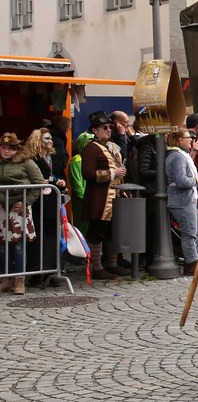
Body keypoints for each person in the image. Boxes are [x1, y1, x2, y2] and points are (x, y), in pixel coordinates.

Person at [81, 112, 127, 280]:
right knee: (97, 232)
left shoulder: (110, 145)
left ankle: (112, 264)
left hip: (115, 195)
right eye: (104, 127)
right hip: (99, 198)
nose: (109, 130)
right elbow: (87, 173)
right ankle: (97, 266)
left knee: (113, 232)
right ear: (95, 130)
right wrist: (112, 173)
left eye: (110, 127)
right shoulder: (91, 148)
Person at [0, 133, 46, 295]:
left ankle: (20, 280)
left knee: (19, 245)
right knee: (2, 245)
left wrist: (26, 201)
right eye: (3, 147)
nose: (6, 151)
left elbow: (39, 183)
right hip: (1, 208)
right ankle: (5, 279)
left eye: (10, 148)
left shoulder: (27, 162)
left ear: (17, 148)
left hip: (19, 207)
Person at [23, 128, 65, 287]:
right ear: (38, 140)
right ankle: (36, 273)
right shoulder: (32, 159)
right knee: (37, 236)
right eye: (46, 139)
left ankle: (51, 271)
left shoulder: (52, 157)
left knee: (53, 236)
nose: (50, 142)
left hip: (52, 200)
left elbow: (55, 175)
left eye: (51, 139)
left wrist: (58, 182)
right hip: (38, 202)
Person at [165, 129, 198, 275]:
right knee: (190, 233)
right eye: (188, 137)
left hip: (187, 199)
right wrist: (196, 180)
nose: (191, 139)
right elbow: (181, 180)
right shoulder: (176, 156)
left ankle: (194, 261)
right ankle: (191, 265)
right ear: (179, 140)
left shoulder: (181, 155)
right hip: (181, 200)